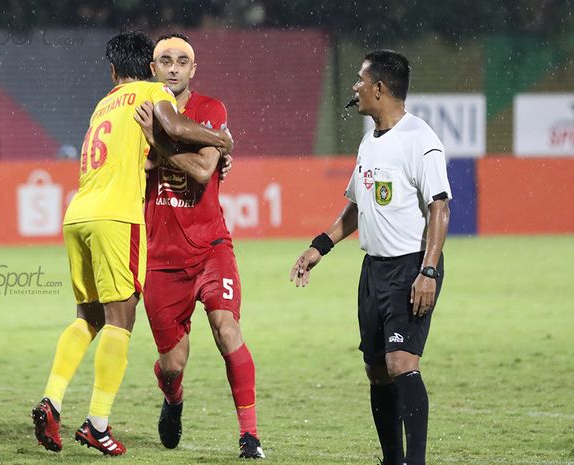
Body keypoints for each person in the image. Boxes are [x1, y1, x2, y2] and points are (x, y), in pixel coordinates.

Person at [30, 30, 233, 457]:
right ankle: (97, 423)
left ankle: (52, 399)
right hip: (116, 217)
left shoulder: (103, 104)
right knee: (121, 320)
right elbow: (176, 125)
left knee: (87, 317)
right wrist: (221, 140)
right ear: (150, 67)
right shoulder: (151, 91)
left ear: (112, 69)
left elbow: (147, 155)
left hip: (77, 214)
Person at [290, 49, 451, 465]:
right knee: (377, 370)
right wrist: (319, 246)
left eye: (360, 80)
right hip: (373, 270)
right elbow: (357, 207)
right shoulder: (368, 142)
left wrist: (428, 271)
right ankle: (392, 460)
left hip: (411, 267)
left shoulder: (421, 140)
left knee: (401, 362)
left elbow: (440, 207)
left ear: (380, 88)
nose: (355, 88)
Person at [133, 33, 265, 459]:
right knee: (172, 364)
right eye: (165, 60)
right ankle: (173, 399)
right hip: (161, 257)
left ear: (193, 70)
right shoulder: (137, 110)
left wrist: (158, 144)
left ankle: (250, 437)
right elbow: (182, 160)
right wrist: (180, 147)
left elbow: (207, 169)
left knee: (226, 328)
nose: (173, 67)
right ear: (153, 69)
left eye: (182, 61)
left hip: (211, 245)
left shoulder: (210, 109)